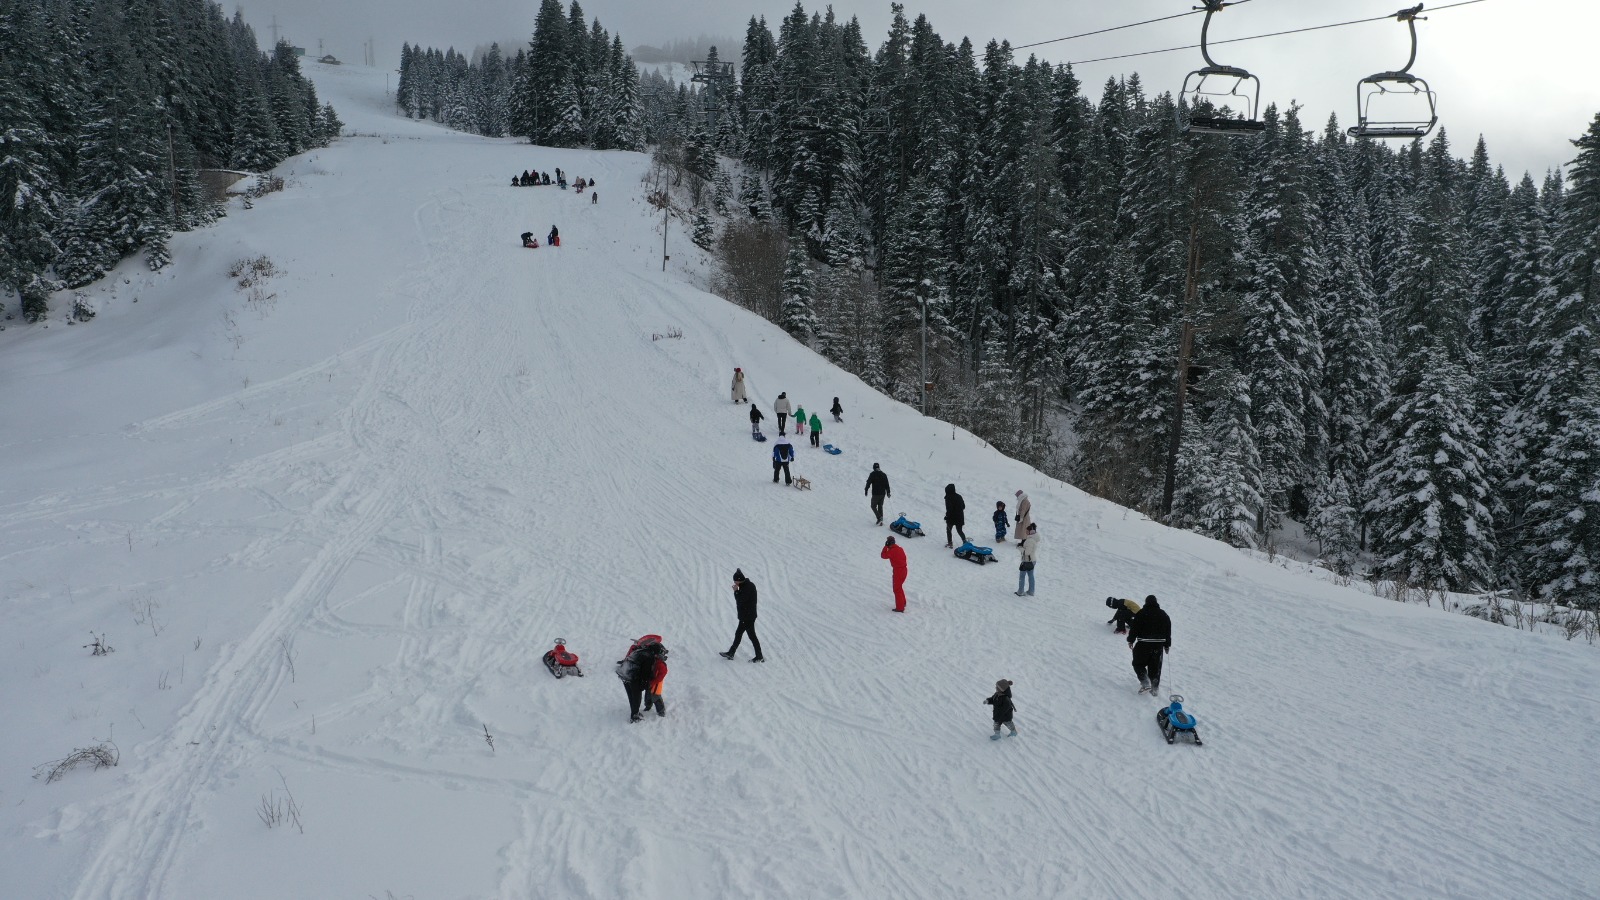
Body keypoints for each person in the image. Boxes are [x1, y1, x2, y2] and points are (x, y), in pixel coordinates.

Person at [1127, 595, 1172, 695]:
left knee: (1138, 664)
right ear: (1156, 602)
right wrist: (1167, 645)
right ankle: (1154, 689)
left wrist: (1130, 640)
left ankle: (1145, 682)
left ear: (1146, 602)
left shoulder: (1141, 613)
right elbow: (1168, 631)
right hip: (1158, 645)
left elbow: (1134, 628)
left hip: (1143, 644)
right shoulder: (1163, 614)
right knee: (1155, 668)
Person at [618, 636, 669, 722]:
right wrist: (645, 684)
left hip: (624, 673)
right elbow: (645, 673)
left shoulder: (641, 650)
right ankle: (635, 717)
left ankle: (636, 712)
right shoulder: (649, 657)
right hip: (631, 677)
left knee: (632, 696)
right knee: (636, 698)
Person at [720, 569, 765, 662]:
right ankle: (731, 653)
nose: (734, 583)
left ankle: (759, 657)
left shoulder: (747, 587)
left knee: (751, 636)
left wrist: (736, 591)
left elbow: (740, 601)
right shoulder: (747, 586)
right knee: (739, 634)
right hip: (747, 616)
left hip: (748, 617)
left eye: (735, 581)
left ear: (739, 580)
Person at [881, 535, 908, 612]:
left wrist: (885, 547)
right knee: (899, 587)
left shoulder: (891, 551)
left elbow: (883, 556)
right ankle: (903, 603)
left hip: (898, 571)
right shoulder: (900, 549)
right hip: (904, 570)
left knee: (897, 589)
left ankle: (900, 607)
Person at [1015, 523, 1038, 596]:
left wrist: (1020, 548)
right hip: (1032, 560)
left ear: (1030, 531)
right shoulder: (1032, 539)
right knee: (1031, 576)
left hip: (1027, 561)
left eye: (1026, 531)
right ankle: (1031, 591)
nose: (1025, 532)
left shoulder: (1030, 540)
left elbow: (1027, 552)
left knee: (1022, 575)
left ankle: (1020, 591)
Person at [943, 484, 967, 548]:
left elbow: (949, 509)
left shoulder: (948, 498)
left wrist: (947, 516)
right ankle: (964, 541)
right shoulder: (959, 496)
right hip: (960, 517)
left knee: (948, 530)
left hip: (951, 517)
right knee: (959, 530)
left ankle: (950, 543)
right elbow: (963, 506)